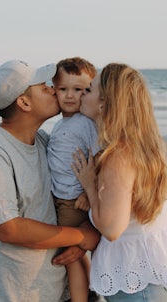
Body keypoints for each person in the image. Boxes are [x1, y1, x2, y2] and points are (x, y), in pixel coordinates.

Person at [0, 60, 100, 302]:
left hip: (59, 293)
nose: (53, 89)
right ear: (24, 102)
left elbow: (74, 191)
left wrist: (89, 229)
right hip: (5, 296)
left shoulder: (45, 142)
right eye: (43, 86)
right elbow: (8, 228)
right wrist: (81, 236)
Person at [64, 63, 167, 301]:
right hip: (146, 270)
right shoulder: (143, 146)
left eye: (88, 90)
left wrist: (89, 184)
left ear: (104, 104)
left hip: (136, 282)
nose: (81, 94)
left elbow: (112, 229)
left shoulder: (119, 156)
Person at [47, 57, 100, 302]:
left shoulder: (86, 123)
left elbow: (101, 156)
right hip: (62, 197)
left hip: (73, 201)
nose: (69, 96)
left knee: (71, 258)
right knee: (76, 256)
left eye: (78, 90)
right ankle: (89, 295)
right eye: (63, 89)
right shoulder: (62, 123)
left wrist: (88, 193)